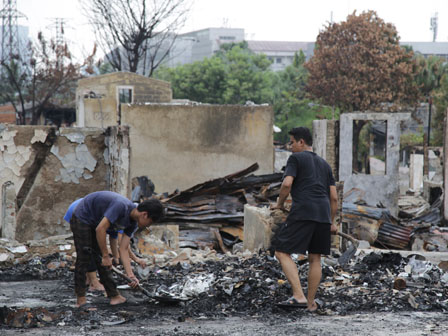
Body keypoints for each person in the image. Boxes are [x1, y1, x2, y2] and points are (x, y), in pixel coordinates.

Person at [270, 127, 338, 312]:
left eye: (291, 142)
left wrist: (279, 204)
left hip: (304, 212)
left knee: (281, 252)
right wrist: (332, 222)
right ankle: (310, 303)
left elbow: (286, 184)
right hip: (323, 214)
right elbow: (334, 198)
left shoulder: (296, 159)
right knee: (315, 258)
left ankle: (298, 295)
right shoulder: (325, 164)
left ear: (301, 142)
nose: (290, 147)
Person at [69, 191, 164, 308]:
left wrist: (130, 275)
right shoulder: (120, 206)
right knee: (84, 257)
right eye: (150, 222)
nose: (148, 226)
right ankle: (81, 299)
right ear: (145, 214)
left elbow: (123, 249)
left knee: (103, 262)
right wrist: (105, 256)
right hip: (83, 217)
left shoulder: (133, 223)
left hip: (96, 222)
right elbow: (100, 229)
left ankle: (114, 296)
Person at [64, 199, 148, 293]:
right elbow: (122, 245)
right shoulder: (124, 217)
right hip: (79, 211)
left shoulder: (125, 217)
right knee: (91, 248)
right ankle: (94, 283)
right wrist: (135, 259)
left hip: (85, 210)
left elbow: (114, 240)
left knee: (92, 249)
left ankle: (88, 279)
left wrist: (116, 258)